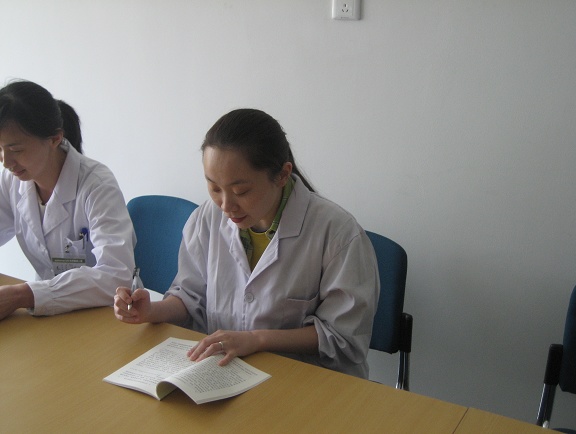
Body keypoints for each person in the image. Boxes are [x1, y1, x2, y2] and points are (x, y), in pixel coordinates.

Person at [114, 108, 379, 378]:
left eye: (241, 191)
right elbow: (191, 297)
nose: (226, 205)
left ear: (282, 175)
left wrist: (257, 339)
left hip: (307, 380)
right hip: (225, 373)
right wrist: (151, 311)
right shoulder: (207, 217)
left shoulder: (338, 234)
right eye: (214, 188)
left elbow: (342, 338)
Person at [0, 79, 136, 321]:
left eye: (16, 150)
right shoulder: (11, 180)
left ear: (54, 139)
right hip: (48, 315)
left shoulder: (97, 185)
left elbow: (116, 276)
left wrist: (24, 295)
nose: (6, 162)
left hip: (105, 315)